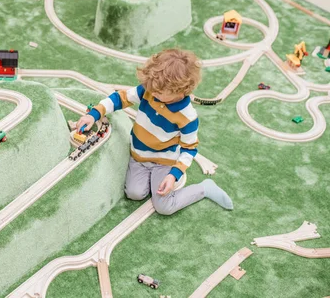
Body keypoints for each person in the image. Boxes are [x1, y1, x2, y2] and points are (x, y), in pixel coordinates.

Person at [75, 49, 233, 215]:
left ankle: (204, 188)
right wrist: (95, 113)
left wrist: (173, 175)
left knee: (164, 207)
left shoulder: (188, 117)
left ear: (179, 91)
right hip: (139, 156)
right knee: (134, 194)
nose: (151, 92)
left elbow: (190, 149)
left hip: (164, 161)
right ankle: (152, 181)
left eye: (157, 92)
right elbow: (121, 98)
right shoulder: (151, 88)